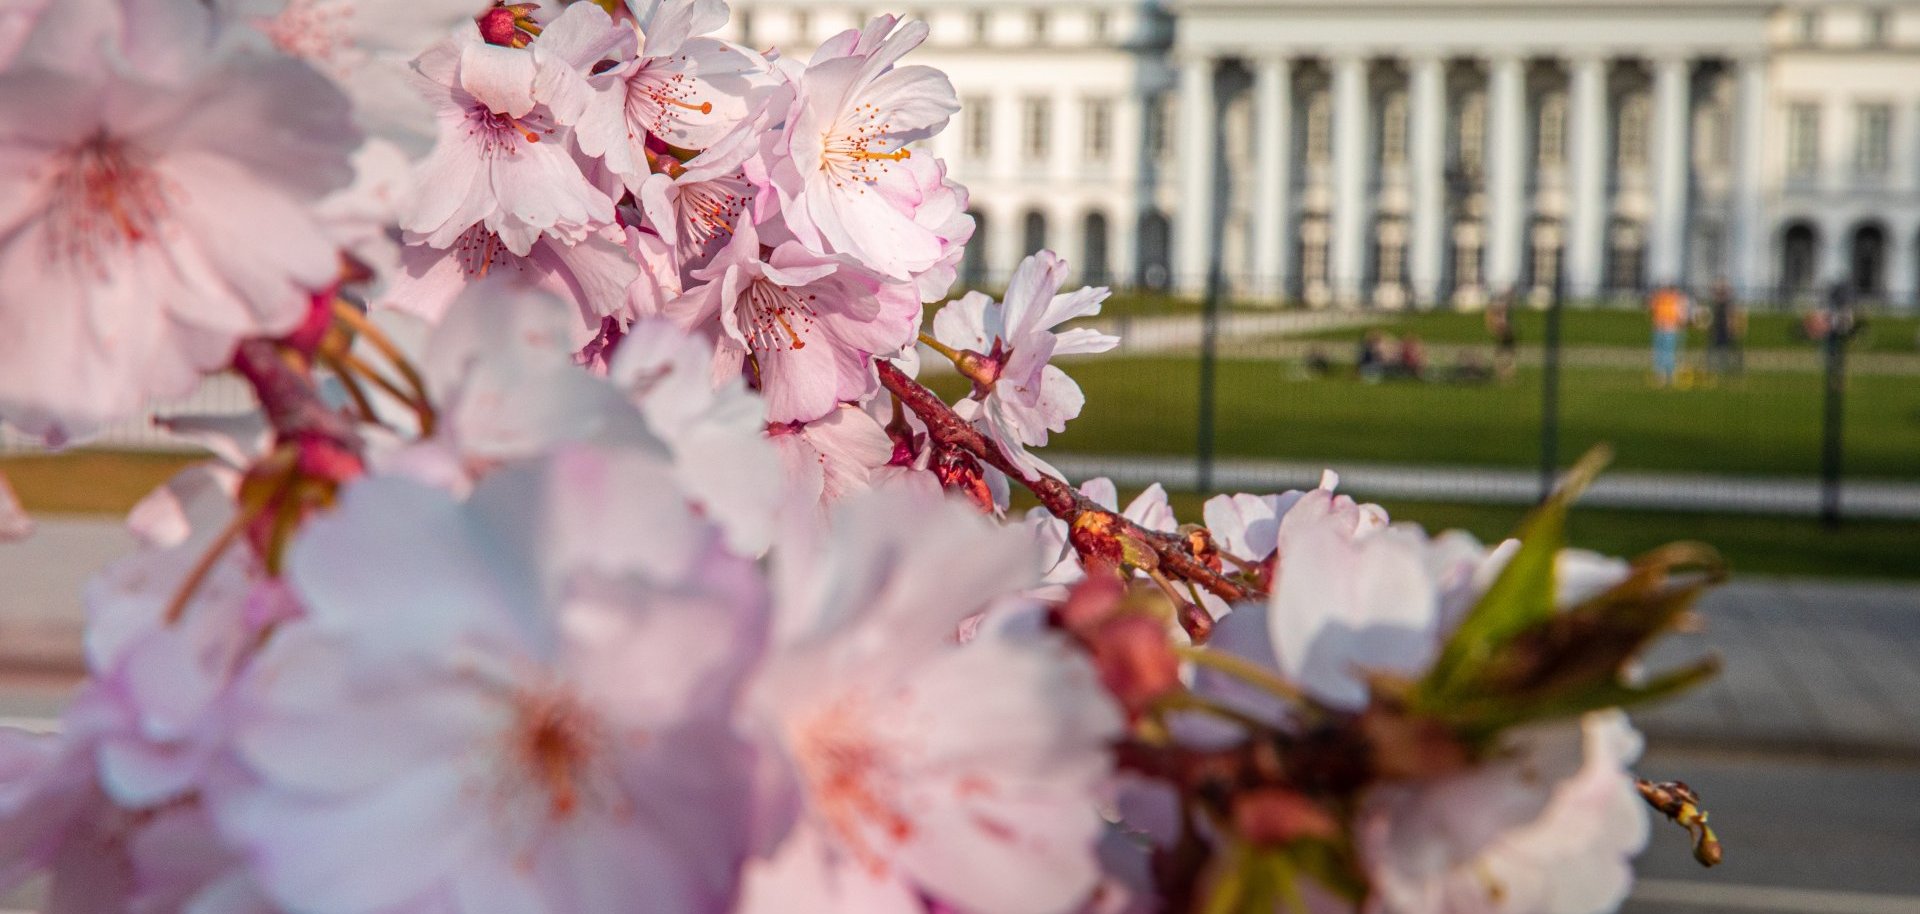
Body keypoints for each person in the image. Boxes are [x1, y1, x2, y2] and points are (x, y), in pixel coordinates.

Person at [1649, 284, 1689, 387]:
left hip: (1669, 328)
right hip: (1660, 327)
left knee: (1668, 352)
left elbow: (1681, 314)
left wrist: (1681, 323)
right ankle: (1660, 374)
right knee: (1660, 351)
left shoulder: (1676, 299)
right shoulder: (1660, 298)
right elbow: (1652, 309)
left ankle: (1669, 373)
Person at [1706, 278, 1744, 378]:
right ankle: (1713, 367)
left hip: (1726, 329)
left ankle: (1736, 366)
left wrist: (1733, 327)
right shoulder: (1717, 303)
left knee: (1730, 348)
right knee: (1714, 348)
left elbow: (1731, 316)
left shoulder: (1728, 303)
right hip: (1718, 329)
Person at [1485, 292, 1517, 383]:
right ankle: (1503, 374)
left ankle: (1506, 375)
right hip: (1503, 332)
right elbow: (1492, 318)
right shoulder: (1496, 309)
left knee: (1507, 354)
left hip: (1506, 333)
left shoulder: (1500, 308)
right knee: (1503, 354)